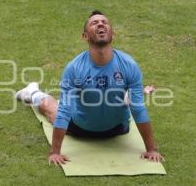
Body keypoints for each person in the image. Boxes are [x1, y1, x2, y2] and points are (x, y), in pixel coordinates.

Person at [16, 10, 165, 166]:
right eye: (94, 23)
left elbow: (138, 109)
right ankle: (32, 92)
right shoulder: (74, 68)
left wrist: (151, 149)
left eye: (104, 22)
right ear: (85, 36)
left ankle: (127, 94)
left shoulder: (129, 65)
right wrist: (55, 152)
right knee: (52, 109)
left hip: (116, 128)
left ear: (112, 34)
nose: (100, 23)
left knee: (129, 100)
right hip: (79, 127)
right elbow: (65, 111)